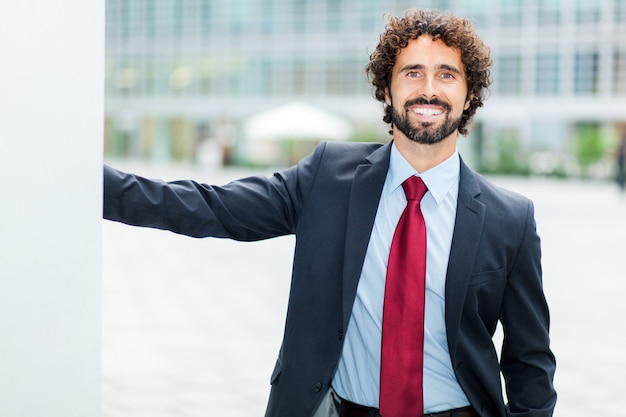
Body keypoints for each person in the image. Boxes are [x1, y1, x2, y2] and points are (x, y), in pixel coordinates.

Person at [103, 9, 556, 417]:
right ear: (386, 87)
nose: (428, 89)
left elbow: (529, 361)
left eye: (447, 75)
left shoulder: (509, 219)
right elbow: (212, 207)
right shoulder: (327, 178)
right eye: (412, 73)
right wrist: (87, 186)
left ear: (469, 92)